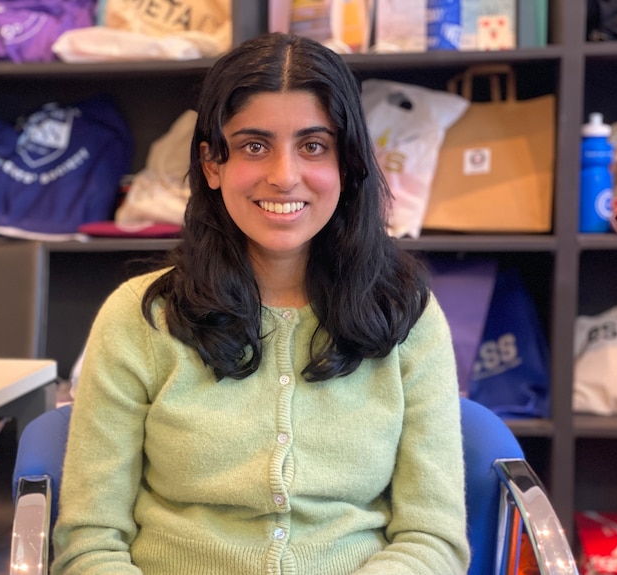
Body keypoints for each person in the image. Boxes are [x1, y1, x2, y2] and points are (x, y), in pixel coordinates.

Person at [52, 32, 469, 575]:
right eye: (254, 145)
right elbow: (90, 544)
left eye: (313, 146)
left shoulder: (408, 316)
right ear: (211, 163)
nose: (284, 174)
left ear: (347, 164)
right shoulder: (140, 318)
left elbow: (431, 540)